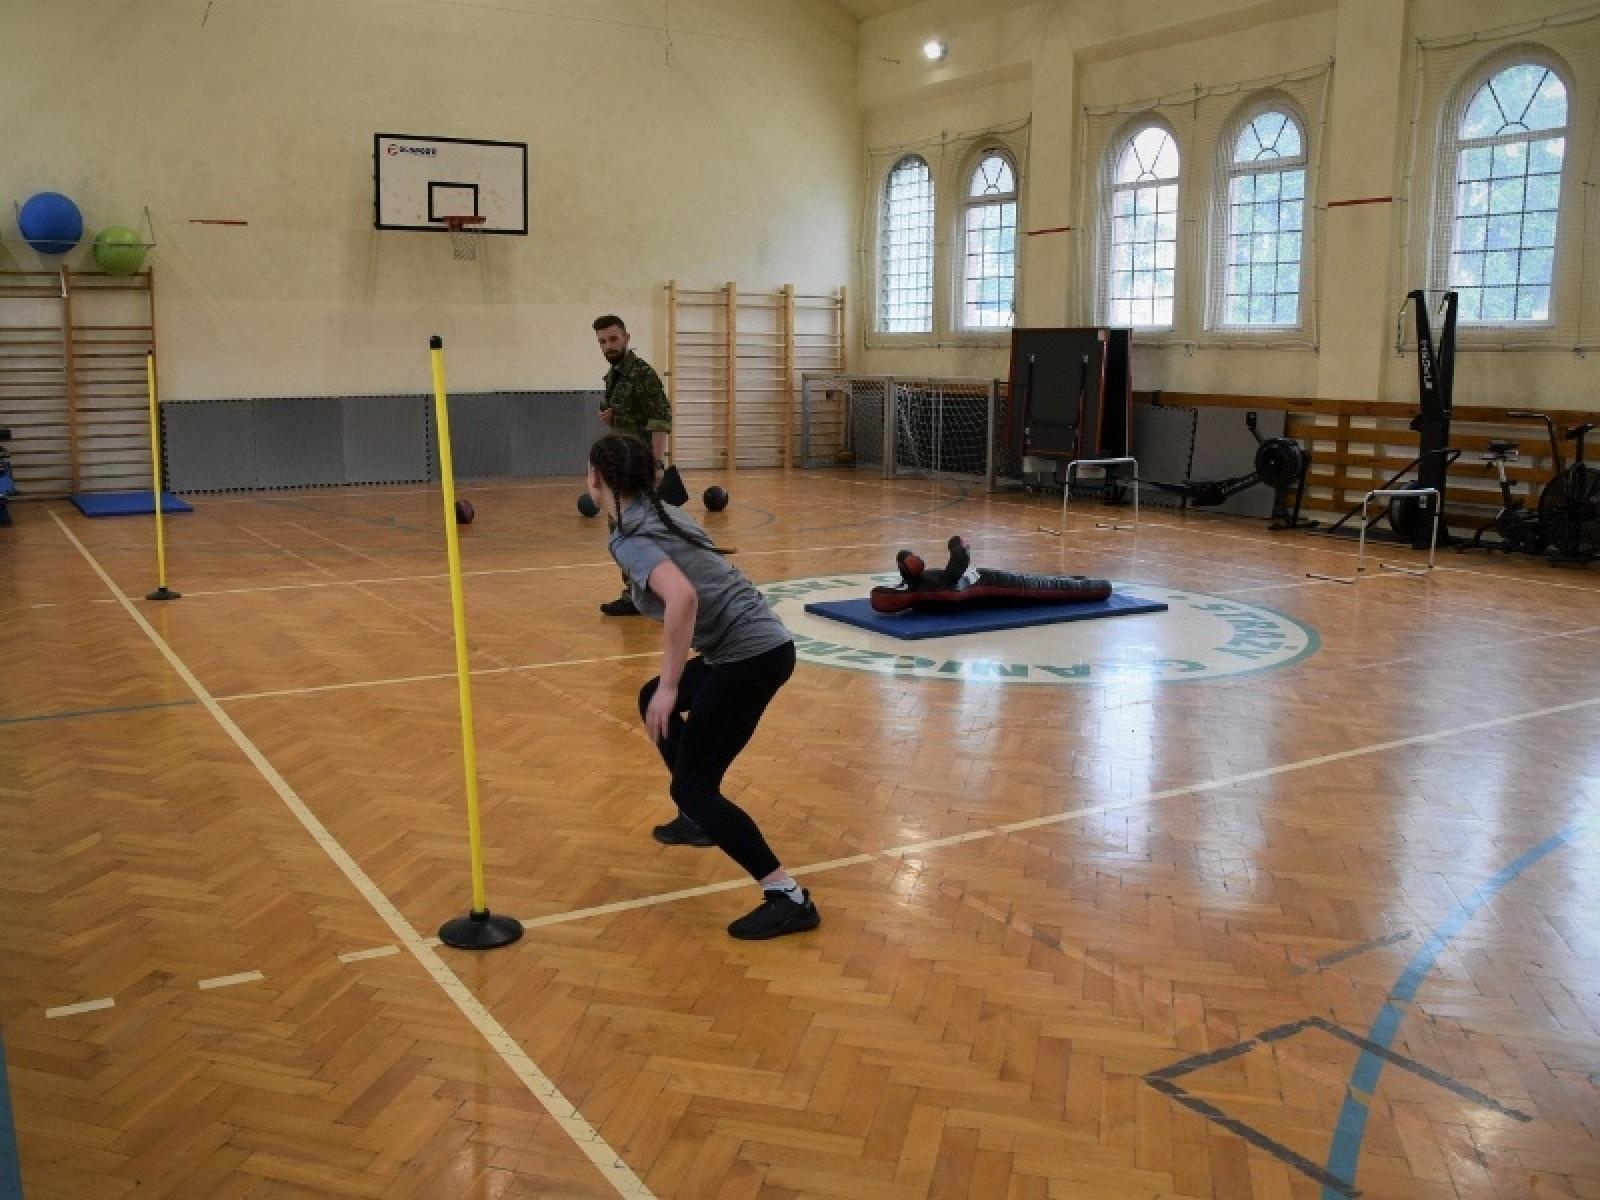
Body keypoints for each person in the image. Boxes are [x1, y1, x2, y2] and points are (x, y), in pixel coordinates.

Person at [586, 432, 821, 940]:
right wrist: (664, 688)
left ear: (596, 481)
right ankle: (698, 815)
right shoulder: (663, 514)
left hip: (751, 658)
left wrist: (673, 683)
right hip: (751, 648)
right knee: (652, 700)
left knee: (687, 771)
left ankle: (788, 896)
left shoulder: (632, 537)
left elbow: (684, 598)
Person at [594, 314, 672, 617]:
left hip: (639, 467)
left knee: (637, 531)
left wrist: (654, 465)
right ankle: (638, 593)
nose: (608, 346)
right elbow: (626, 416)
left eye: (613, 339)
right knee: (622, 531)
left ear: (626, 338)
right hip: (621, 464)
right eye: (602, 342)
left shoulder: (642, 375)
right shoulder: (614, 375)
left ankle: (644, 594)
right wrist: (610, 419)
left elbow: (660, 420)